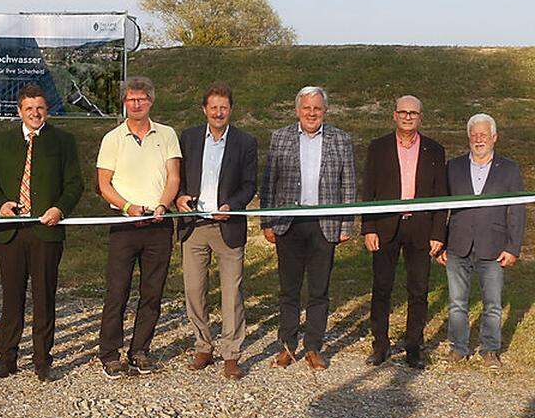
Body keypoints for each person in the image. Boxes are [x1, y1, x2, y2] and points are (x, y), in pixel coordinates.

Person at [0, 83, 83, 382]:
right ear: (20, 111)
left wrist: (59, 209)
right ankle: (7, 357)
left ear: (46, 110)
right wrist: (0, 203)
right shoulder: (3, 141)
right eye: (29, 109)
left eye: (39, 108)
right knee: (11, 297)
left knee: (44, 297)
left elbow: (75, 184)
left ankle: (42, 360)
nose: (35, 113)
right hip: (11, 232)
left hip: (46, 231)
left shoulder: (63, 141)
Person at [260, 86, 356, 371]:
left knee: (319, 290)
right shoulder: (280, 137)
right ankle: (287, 347)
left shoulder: (341, 139)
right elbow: (268, 183)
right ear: (297, 110)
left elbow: (348, 184)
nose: (312, 113)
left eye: (317, 108)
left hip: (324, 225)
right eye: (307, 108)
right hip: (288, 224)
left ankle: (313, 347)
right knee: (288, 290)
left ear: (325, 111)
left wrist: (346, 223)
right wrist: (267, 221)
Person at [95, 76, 181, 377]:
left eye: (142, 98)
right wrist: (127, 207)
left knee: (152, 292)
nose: (136, 103)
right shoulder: (112, 139)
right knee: (117, 290)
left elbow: (173, 177)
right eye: (131, 99)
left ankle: (140, 349)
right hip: (125, 223)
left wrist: (163, 204)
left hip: (158, 224)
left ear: (151, 101)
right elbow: (103, 184)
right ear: (124, 102)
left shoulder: (167, 134)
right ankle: (109, 352)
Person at [174, 81, 258, 380]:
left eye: (224, 107)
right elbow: (176, 176)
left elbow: (250, 184)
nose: (219, 112)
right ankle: (203, 346)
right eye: (213, 107)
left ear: (230, 110)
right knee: (194, 290)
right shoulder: (189, 138)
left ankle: (231, 353)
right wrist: (179, 196)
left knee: (231, 294)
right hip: (194, 227)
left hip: (228, 226)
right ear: (204, 110)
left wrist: (231, 205)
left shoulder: (245, 142)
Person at [361, 95, 447, 370]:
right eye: (403, 112)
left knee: (419, 290)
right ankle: (380, 345)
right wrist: (368, 227)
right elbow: (369, 191)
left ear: (421, 117)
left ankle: (414, 347)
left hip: (420, 228)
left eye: (414, 113)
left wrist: (438, 233)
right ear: (394, 115)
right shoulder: (378, 148)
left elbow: (441, 196)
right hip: (385, 226)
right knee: (382, 288)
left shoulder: (435, 150)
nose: (408, 117)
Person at [438, 113, 525, 368]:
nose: (479, 140)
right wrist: (440, 243)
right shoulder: (453, 167)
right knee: (456, 303)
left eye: (483, 135)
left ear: (494, 138)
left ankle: (490, 350)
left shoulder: (509, 169)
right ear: (468, 137)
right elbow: (442, 207)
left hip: (494, 247)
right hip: (457, 245)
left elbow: (517, 210)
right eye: (474, 135)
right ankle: (458, 347)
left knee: (493, 304)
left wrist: (513, 247)